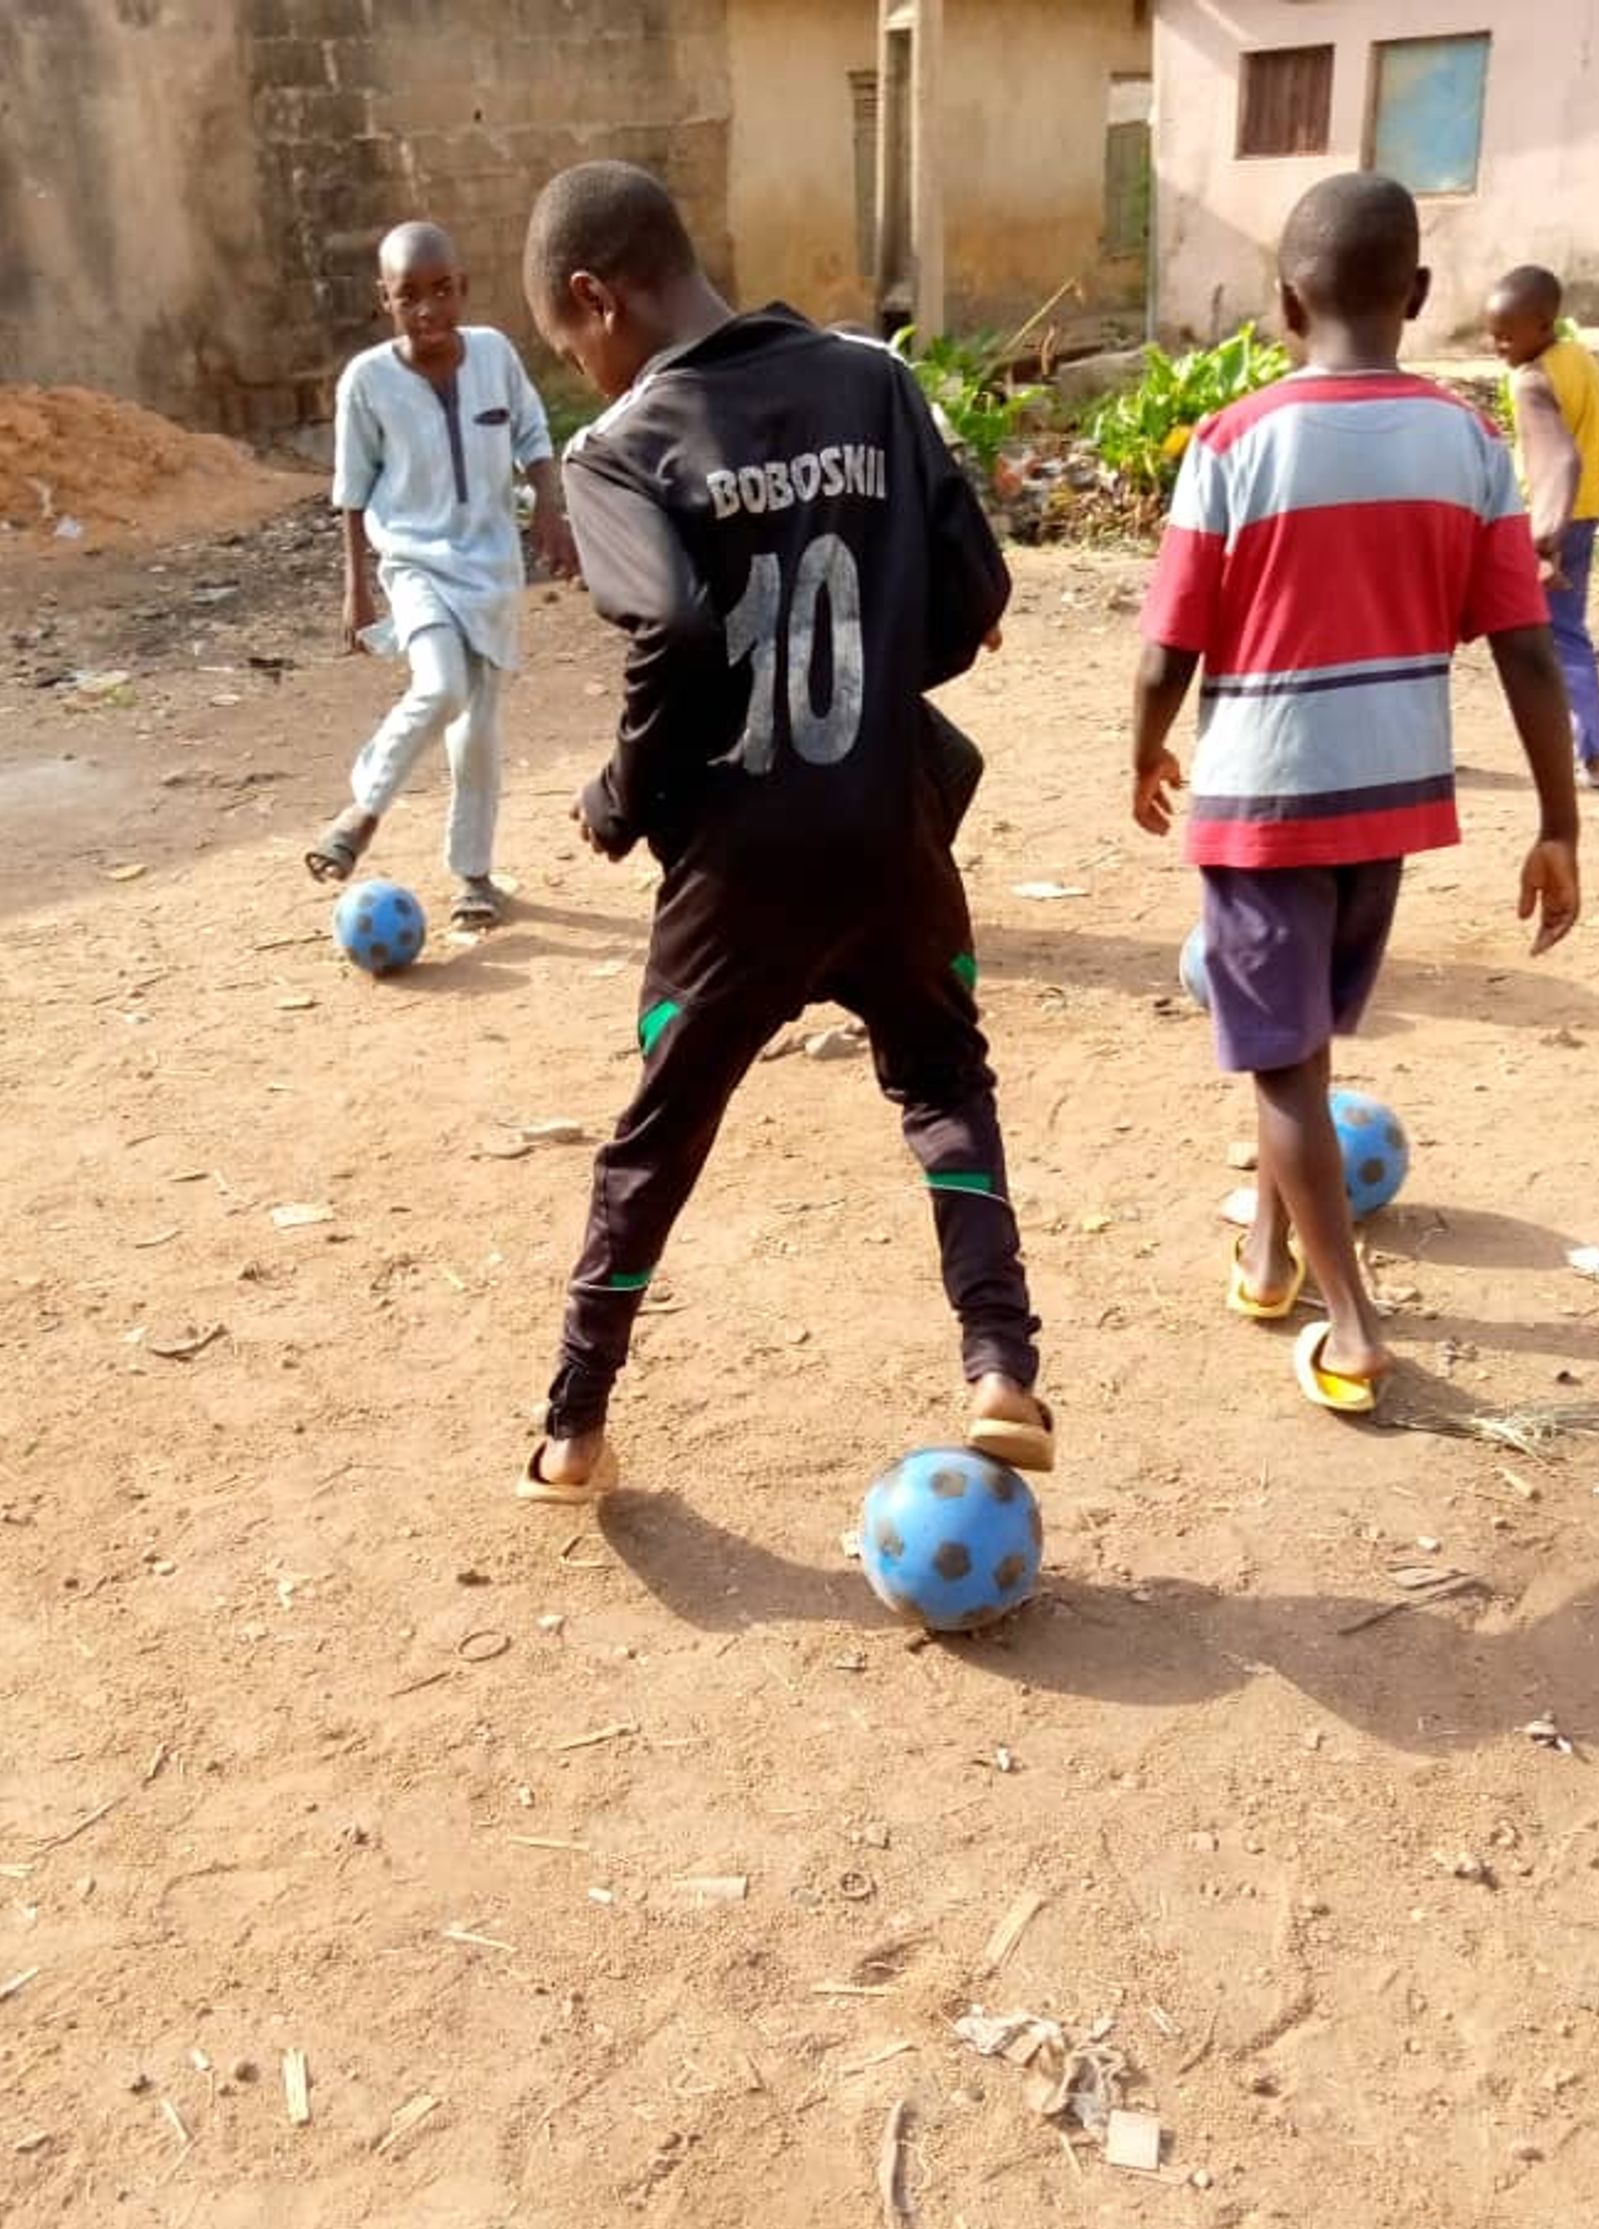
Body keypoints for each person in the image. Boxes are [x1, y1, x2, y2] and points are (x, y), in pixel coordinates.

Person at [511, 159, 1048, 1501]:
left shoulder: (618, 450)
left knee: (657, 1140)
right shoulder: (873, 377)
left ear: (593, 296)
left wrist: (621, 796)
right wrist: (872, 679)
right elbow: (975, 591)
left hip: (739, 871)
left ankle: (574, 1428)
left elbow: (674, 629)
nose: (583, 374)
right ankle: (1000, 1364)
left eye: (569, 345)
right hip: (889, 831)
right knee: (944, 1082)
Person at [1133, 173, 1581, 1415]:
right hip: (1385, 800)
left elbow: (1169, 645)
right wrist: (1558, 822)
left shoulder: (1233, 441)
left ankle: (1352, 1321)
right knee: (1302, 1041)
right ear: (1420, 294)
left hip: (1264, 800)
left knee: (1285, 1069)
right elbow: (1525, 646)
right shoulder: (1469, 442)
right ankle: (1270, 1257)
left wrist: (1145, 747)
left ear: (1286, 303)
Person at [308, 221, 578, 929]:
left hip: (491, 569)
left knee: (479, 730)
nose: (427, 310)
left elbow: (532, 434)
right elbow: (352, 489)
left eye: (441, 291)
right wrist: (356, 587)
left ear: (463, 287)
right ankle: (363, 812)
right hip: (415, 563)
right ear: (385, 300)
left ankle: (473, 876)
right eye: (408, 297)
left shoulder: (493, 355)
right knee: (441, 686)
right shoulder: (368, 381)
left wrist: (549, 511)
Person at [1486, 263, 1599, 789]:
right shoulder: (1581, 358)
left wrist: (1544, 545)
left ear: (1543, 325)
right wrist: (1590, 461)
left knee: (1561, 637)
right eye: (1493, 333)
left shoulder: (1530, 381)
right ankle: (1593, 751)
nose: (1497, 345)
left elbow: (1557, 462)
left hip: (1549, 521)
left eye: (1507, 335)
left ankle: (1598, 755)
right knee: (1565, 630)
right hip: (1586, 511)